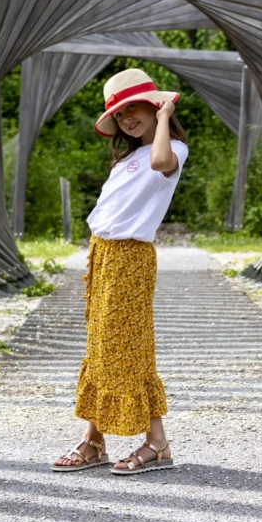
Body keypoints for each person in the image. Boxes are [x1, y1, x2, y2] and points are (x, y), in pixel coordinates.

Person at [52, 68, 189, 475]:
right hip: (103, 255)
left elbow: (161, 160)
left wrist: (165, 118)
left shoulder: (173, 149)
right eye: (120, 113)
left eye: (135, 108)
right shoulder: (128, 157)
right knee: (101, 349)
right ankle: (96, 442)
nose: (128, 118)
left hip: (131, 257)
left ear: (153, 105)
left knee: (126, 348)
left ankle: (155, 443)